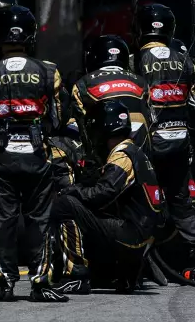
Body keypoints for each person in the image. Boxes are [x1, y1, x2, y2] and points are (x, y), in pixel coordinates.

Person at [0, 5, 68, 302]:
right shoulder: (48, 71)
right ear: (30, 35)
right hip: (37, 155)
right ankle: (40, 281)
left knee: (3, 221)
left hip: (2, 156)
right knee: (40, 219)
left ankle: (5, 284)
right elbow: (58, 118)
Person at [52, 100, 164, 293]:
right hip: (144, 234)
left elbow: (103, 194)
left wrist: (75, 190)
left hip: (132, 235)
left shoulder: (122, 155)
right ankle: (122, 273)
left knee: (64, 204)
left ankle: (76, 275)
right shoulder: (136, 151)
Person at [133, 4, 195, 253]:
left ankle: (142, 253)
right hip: (181, 141)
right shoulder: (187, 61)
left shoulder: (135, 61)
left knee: (144, 199)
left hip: (150, 144)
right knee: (182, 202)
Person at [72, 34, 153, 156]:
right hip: (141, 146)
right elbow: (151, 117)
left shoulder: (83, 84)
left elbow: (79, 122)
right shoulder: (142, 82)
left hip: (107, 148)